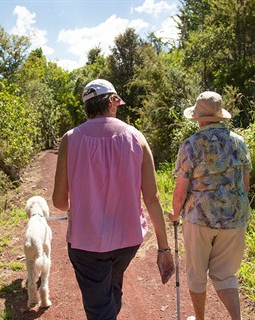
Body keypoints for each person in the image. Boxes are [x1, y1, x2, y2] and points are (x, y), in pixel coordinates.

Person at [52, 79, 175, 320]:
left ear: (87, 107)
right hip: (127, 241)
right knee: (111, 289)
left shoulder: (70, 139)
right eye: (117, 103)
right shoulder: (136, 137)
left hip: (85, 244)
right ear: (111, 102)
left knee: (99, 306)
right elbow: (152, 198)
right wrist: (164, 247)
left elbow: (59, 202)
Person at [168, 91, 252, 320]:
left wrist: (175, 213)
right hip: (235, 217)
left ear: (199, 119)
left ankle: (200, 319)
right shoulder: (239, 142)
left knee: (197, 273)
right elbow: (245, 186)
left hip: (199, 219)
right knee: (225, 274)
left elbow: (181, 189)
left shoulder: (190, 145)